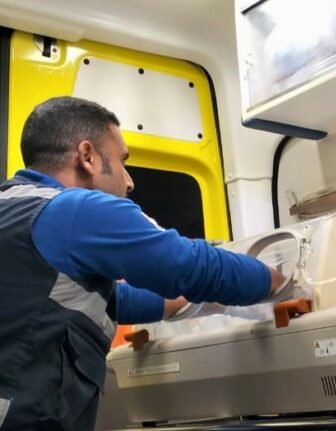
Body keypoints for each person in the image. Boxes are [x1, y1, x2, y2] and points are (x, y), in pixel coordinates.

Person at [0, 96, 285, 430]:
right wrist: (280, 281)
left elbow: (112, 301)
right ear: (87, 156)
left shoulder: (13, 206)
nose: (129, 181)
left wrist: (204, 304)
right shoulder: (75, 210)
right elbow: (189, 265)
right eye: (122, 161)